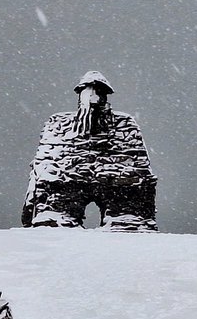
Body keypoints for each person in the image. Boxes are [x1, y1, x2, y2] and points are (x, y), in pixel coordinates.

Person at [21, 71, 157, 231]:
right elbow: (42, 174)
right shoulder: (58, 125)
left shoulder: (125, 125)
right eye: (88, 93)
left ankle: (125, 221)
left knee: (126, 221)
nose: (93, 98)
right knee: (57, 220)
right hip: (67, 184)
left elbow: (141, 176)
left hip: (116, 184)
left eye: (98, 92)